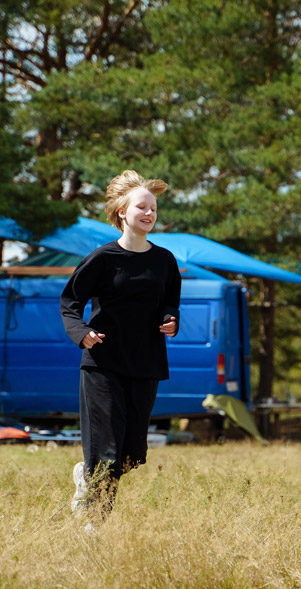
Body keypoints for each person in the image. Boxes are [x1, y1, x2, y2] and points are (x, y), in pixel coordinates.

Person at [61, 169, 181, 532]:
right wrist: (81, 333)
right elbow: (70, 302)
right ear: (122, 212)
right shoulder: (102, 259)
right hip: (102, 362)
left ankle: (85, 474)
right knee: (107, 450)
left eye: (153, 209)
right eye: (141, 207)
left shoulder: (164, 261)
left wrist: (171, 320)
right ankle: (94, 524)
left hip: (145, 363)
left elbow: (170, 305)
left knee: (131, 455)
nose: (149, 214)